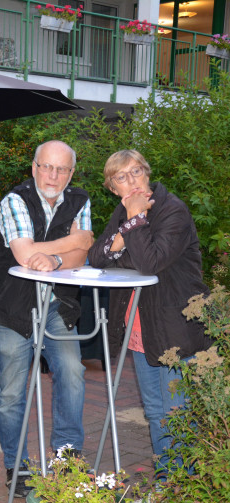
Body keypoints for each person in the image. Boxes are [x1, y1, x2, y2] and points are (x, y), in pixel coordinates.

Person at [87, 149, 212, 475]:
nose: (131, 181)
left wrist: (133, 224)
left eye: (136, 172)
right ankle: (166, 485)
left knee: (178, 414)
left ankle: (185, 492)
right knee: (155, 412)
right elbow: (96, 257)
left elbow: (149, 262)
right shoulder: (124, 209)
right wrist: (123, 238)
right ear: (112, 187)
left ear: (147, 172)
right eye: (121, 177)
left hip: (176, 329)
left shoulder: (173, 211)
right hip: (141, 329)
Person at [0, 140, 94, 497]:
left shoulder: (80, 200)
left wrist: (58, 258)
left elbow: (82, 255)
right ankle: (16, 466)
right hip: (12, 308)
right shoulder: (14, 200)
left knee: (72, 372)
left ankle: (66, 458)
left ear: (71, 173)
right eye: (47, 166)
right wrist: (74, 241)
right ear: (34, 167)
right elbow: (22, 254)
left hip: (59, 306)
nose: (53, 175)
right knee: (13, 392)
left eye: (62, 169)